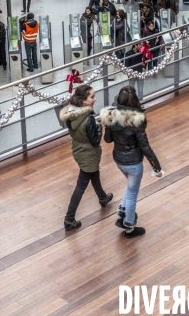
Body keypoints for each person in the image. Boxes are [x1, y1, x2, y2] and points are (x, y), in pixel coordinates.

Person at [100, 86, 162, 238]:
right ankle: (129, 225)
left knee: (130, 186)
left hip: (119, 158)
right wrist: (156, 167)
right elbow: (145, 146)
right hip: (133, 161)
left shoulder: (111, 115)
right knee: (133, 192)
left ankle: (122, 209)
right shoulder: (137, 119)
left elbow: (107, 139)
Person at [59, 86, 113, 231]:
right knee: (82, 184)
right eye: (92, 97)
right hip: (89, 152)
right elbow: (95, 141)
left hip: (78, 148)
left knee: (94, 173)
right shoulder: (88, 119)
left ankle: (103, 198)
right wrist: (100, 127)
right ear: (84, 100)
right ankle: (69, 219)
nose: (95, 99)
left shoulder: (71, 112)